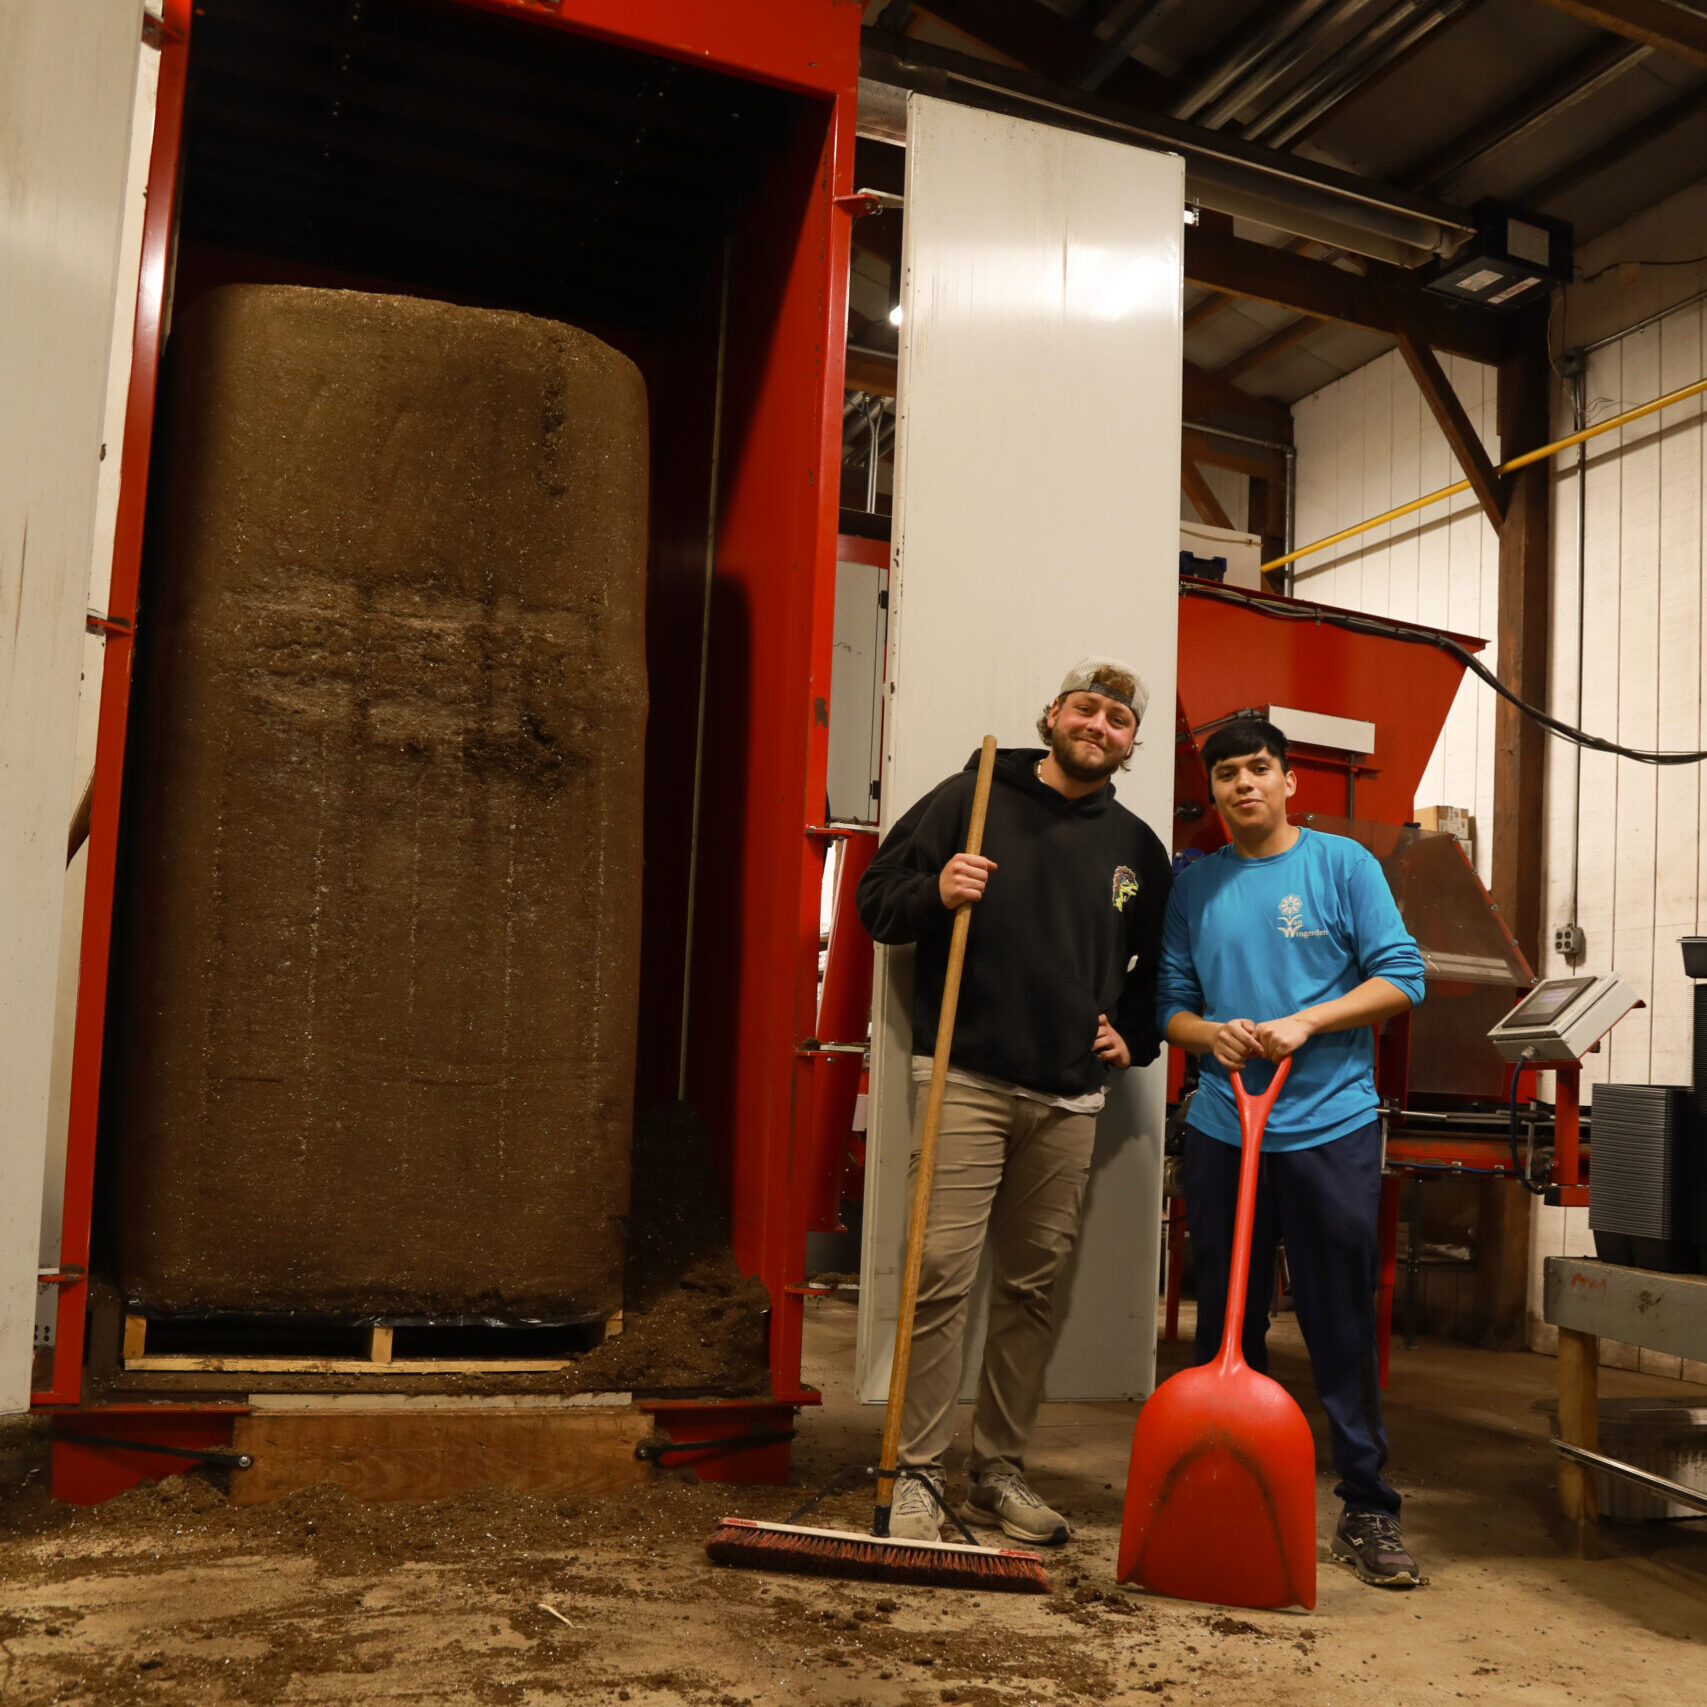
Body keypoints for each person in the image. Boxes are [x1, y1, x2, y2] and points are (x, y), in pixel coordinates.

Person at [857, 657, 1172, 1546]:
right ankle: (915, 1472)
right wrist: (937, 889)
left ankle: (997, 1467)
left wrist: (1135, 1036)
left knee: (1031, 1291)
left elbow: (1159, 970)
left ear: (1129, 744)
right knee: (940, 1278)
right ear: (1052, 715)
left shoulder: (1139, 849)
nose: (1098, 725)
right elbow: (876, 903)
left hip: (1071, 1098)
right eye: (1085, 707)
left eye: (1117, 718)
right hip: (967, 1076)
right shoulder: (972, 794)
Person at [1156, 715, 1427, 1588]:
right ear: (1217, 789)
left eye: (1259, 769)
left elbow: (1401, 974)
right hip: (1223, 1126)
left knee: (1336, 1318)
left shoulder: (1342, 865)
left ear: (1287, 781)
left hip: (1327, 1125)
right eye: (1229, 772)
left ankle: (1366, 1505)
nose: (1244, 785)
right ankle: (1224, 1482)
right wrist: (1211, 1036)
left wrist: (1308, 1018)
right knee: (1223, 1325)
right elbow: (1169, 1002)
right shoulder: (1193, 885)